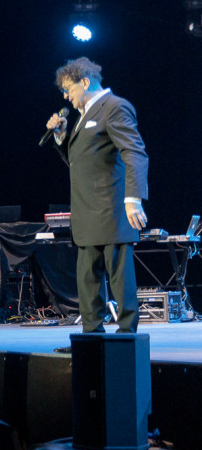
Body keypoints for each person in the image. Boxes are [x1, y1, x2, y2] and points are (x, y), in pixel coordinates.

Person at [46, 56, 149, 333]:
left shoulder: (114, 107)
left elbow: (135, 152)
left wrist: (133, 199)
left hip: (111, 212)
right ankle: (91, 339)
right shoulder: (83, 117)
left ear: (85, 82)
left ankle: (127, 338)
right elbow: (80, 161)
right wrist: (61, 137)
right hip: (86, 214)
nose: (66, 96)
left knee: (120, 281)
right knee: (88, 284)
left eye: (69, 89)